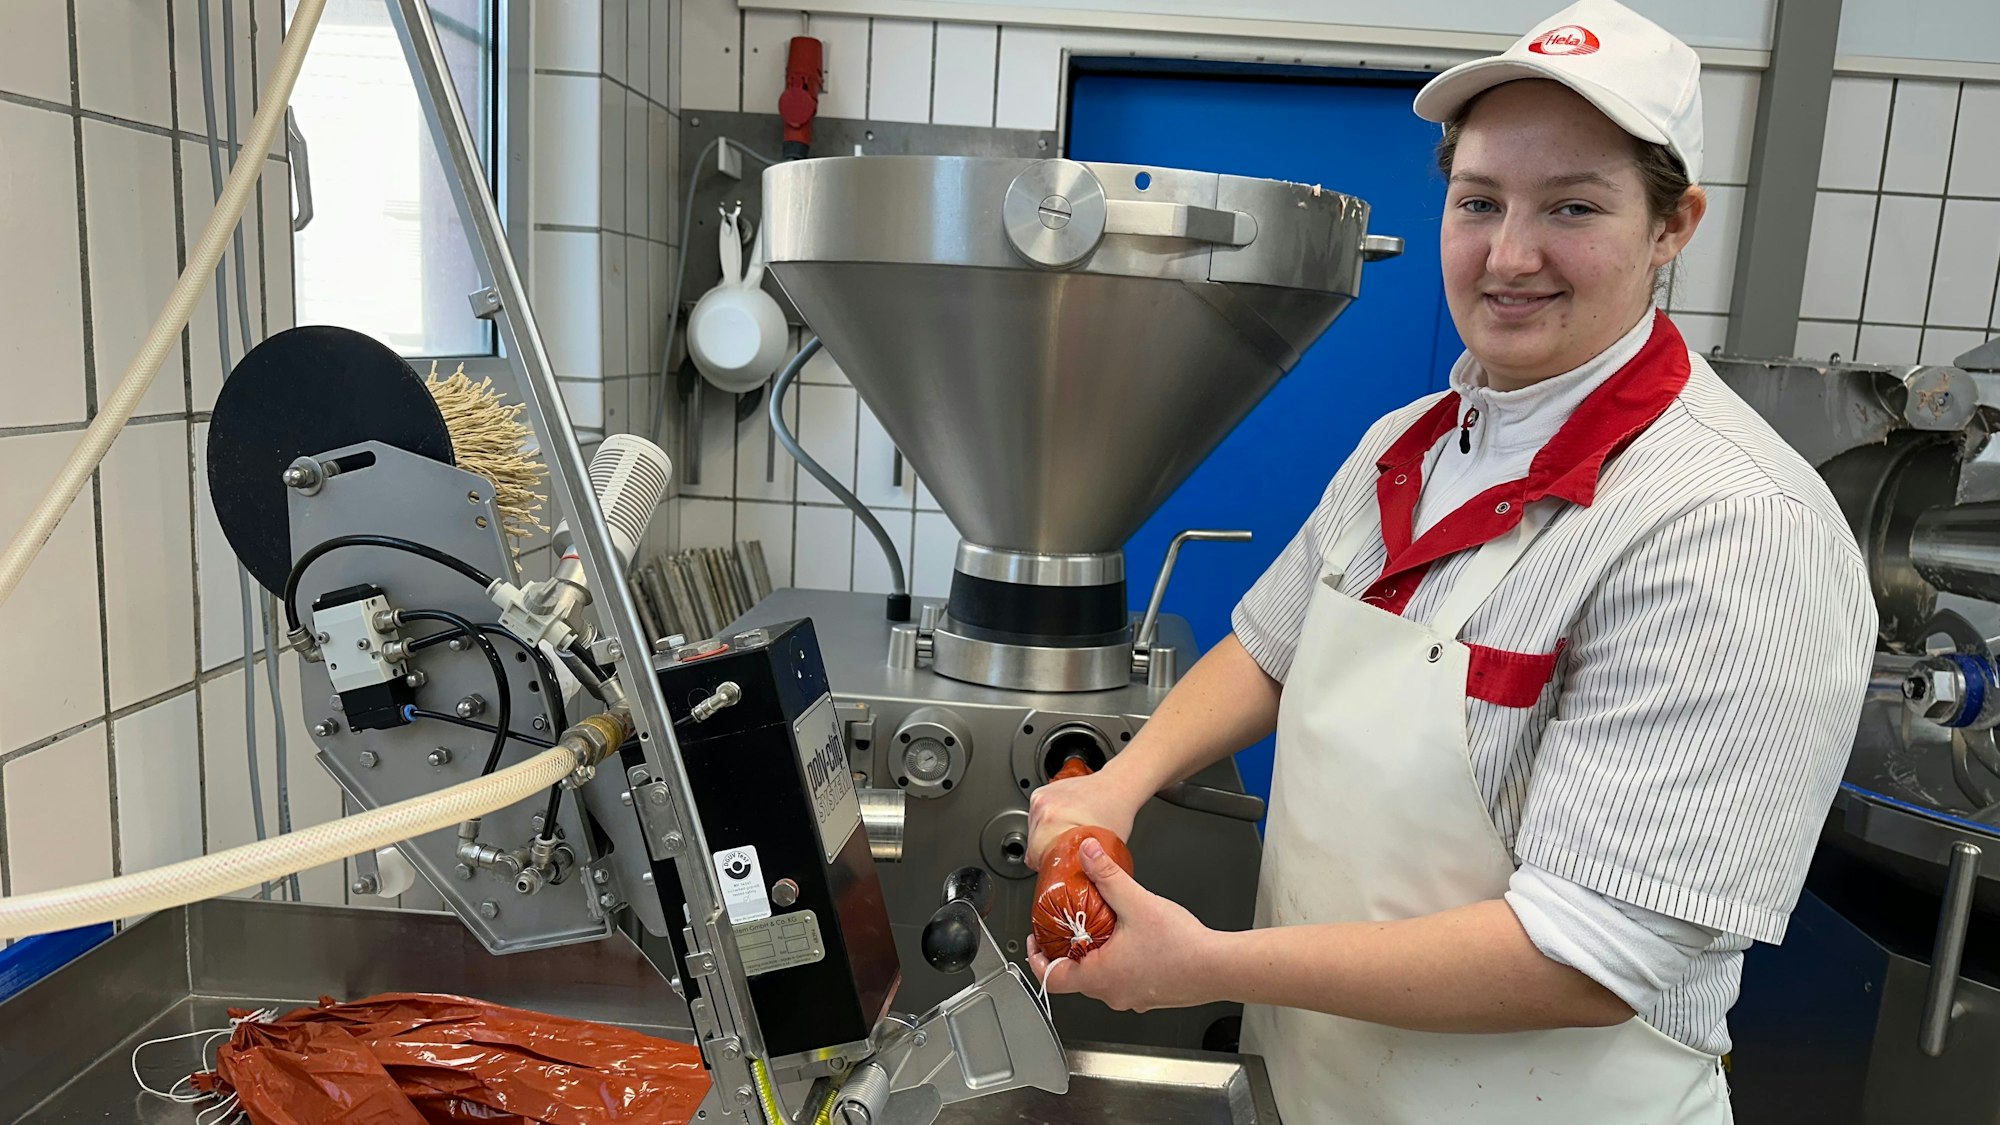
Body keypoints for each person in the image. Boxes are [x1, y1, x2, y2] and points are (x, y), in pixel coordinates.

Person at [1024, 1, 1877, 1121]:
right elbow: (1272, 648)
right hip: (1324, 1086)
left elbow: (1589, 956)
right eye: (1478, 201)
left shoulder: (1733, 526)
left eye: (1572, 206)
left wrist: (1208, 965)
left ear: (1673, 226)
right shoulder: (1408, 444)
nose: (1509, 256)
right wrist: (1117, 783)